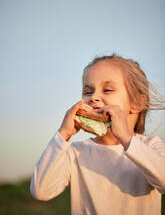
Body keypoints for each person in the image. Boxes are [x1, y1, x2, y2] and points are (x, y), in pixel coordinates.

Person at [30, 54, 165, 215]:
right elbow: (41, 191)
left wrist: (127, 139)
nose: (93, 97)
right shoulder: (75, 152)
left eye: (107, 90)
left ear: (136, 102)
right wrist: (63, 134)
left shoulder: (150, 146)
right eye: (88, 92)